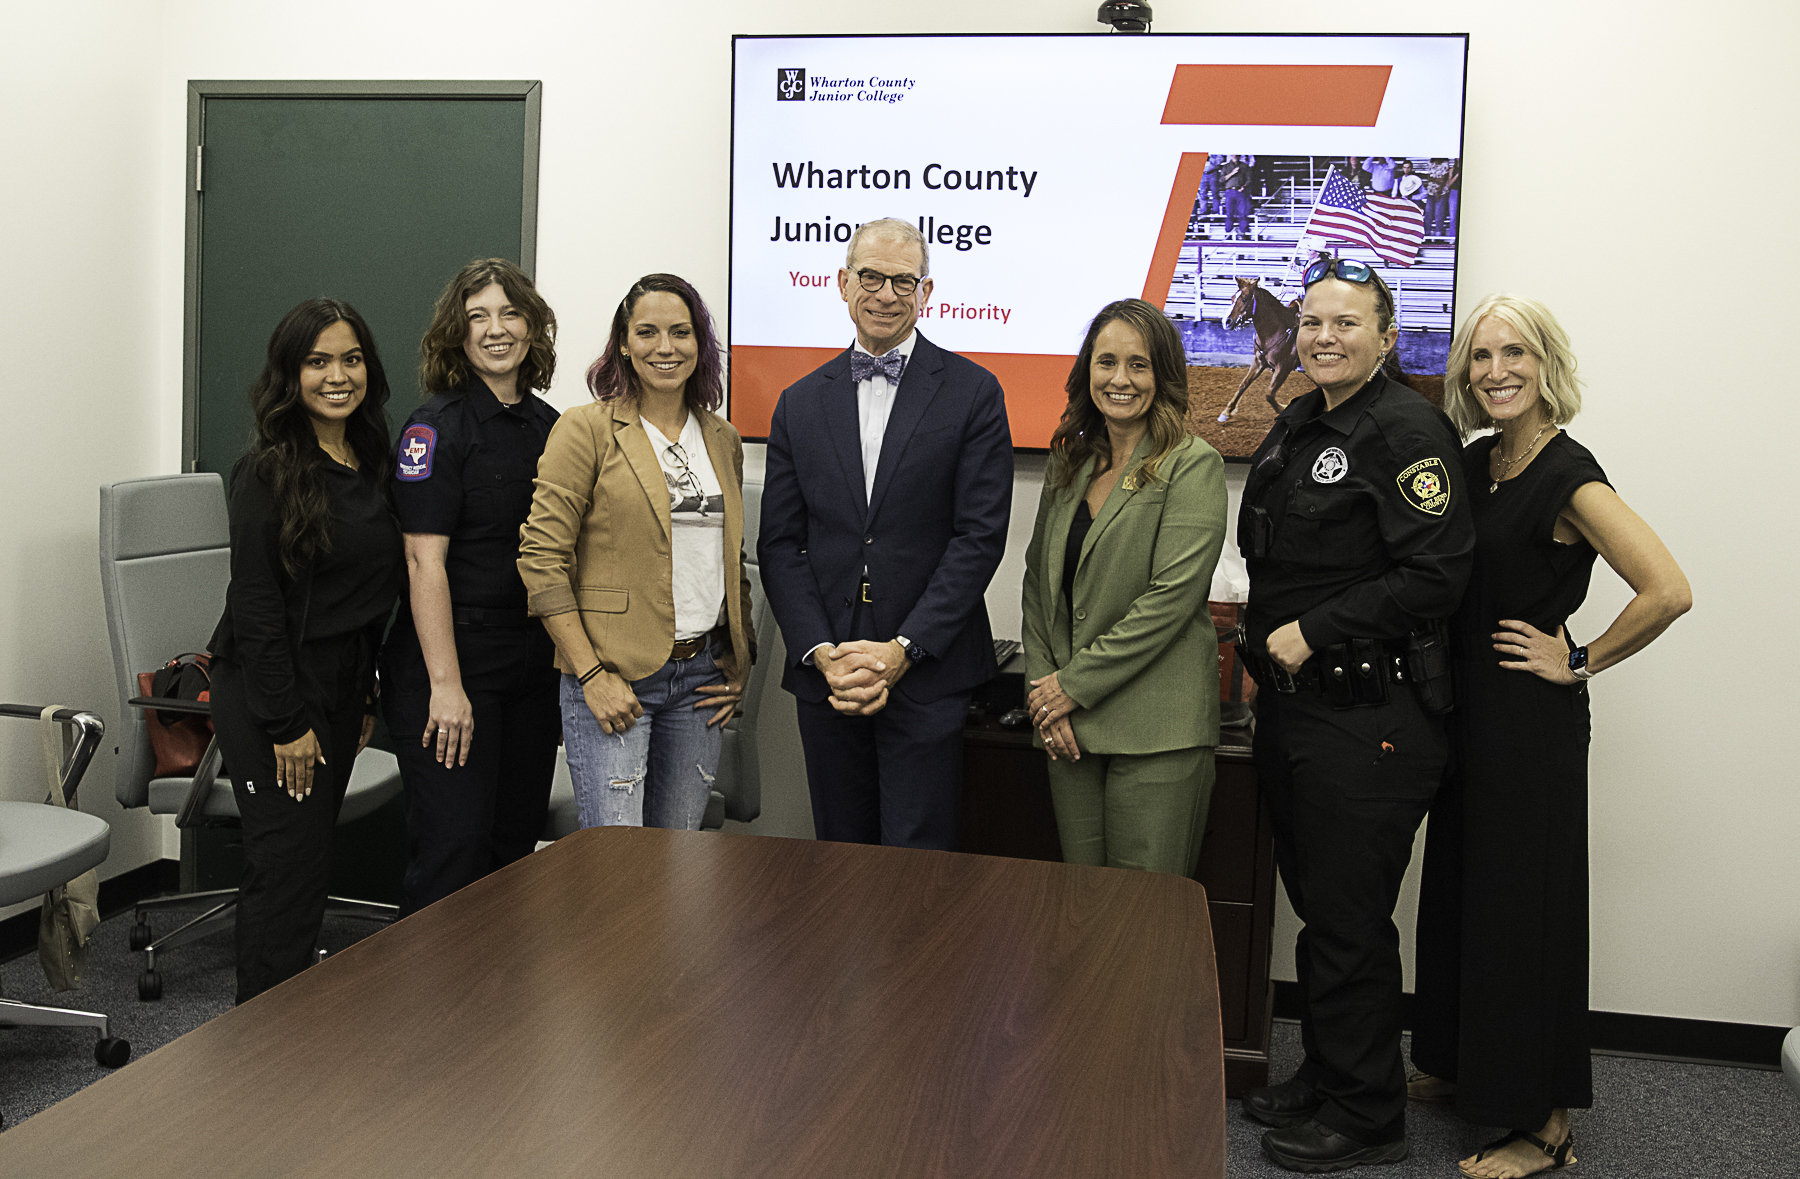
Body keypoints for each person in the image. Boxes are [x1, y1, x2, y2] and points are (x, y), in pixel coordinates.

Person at [1409, 295, 1691, 1179]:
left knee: (1525, 915)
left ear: (1545, 366)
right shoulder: (1476, 461)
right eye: (1482, 355)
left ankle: (1545, 1124)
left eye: (1515, 353)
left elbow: (1667, 588)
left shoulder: (1569, 474)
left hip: (1529, 727)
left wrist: (1580, 656)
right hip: (1468, 718)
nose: (1496, 370)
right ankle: (1465, 1068)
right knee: (1464, 894)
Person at [1234, 257, 1474, 1172]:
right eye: (1312, 322)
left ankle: (1369, 1113)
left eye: (1346, 323)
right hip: (1303, 712)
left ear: (1386, 336)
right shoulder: (1303, 419)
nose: (1323, 336)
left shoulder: (1407, 430)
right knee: (1322, 908)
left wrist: (1309, 630)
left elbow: (1436, 576)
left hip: (1371, 716)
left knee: (1349, 917)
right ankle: (1335, 1073)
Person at [758, 217, 1013, 851]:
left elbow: (978, 538)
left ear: (927, 293)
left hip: (928, 674)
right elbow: (781, 546)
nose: (885, 293)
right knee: (840, 858)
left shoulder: (974, 393)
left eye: (904, 281)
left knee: (917, 866)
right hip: (831, 676)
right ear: (843, 284)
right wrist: (820, 652)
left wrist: (904, 648)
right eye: (871, 277)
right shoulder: (797, 401)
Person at [206, 298, 403, 1003]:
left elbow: (369, 593)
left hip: (343, 682)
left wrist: (367, 691)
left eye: (350, 358)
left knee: (310, 858)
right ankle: (261, 1043)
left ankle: (291, 1032)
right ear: (291, 373)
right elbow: (256, 606)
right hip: (274, 688)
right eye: (318, 361)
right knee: (285, 861)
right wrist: (285, 721)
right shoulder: (266, 470)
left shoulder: (373, 457)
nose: (337, 375)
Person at [518, 275, 754, 830]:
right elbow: (541, 559)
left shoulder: (721, 438)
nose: (665, 347)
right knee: (618, 872)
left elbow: (730, 557)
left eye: (680, 332)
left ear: (701, 343)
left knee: (680, 866)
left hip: (700, 680)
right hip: (613, 676)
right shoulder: (587, 429)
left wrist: (739, 659)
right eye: (647, 332)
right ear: (623, 342)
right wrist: (590, 673)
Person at [1020, 299, 1227, 873]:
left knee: (1142, 923)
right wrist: (1046, 698)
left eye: (1139, 365)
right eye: (1106, 361)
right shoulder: (1070, 464)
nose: (1120, 379)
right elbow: (1039, 586)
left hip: (1157, 732)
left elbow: (1171, 599)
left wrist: (1071, 686)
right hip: (1067, 732)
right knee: (1083, 914)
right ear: (1087, 370)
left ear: (1163, 375)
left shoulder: (1193, 464)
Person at [381, 258, 561, 918]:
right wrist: (447, 687)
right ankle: (428, 1018)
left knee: (513, 850)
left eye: (510, 314)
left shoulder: (551, 427)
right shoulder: (436, 429)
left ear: (532, 329)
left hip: (530, 669)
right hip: (452, 668)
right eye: (477, 316)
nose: (495, 330)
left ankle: (494, 1016)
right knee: (453, 853)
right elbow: (422, 564)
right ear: (456, 334)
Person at [1221, 155, 1253, 240]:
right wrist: (1232, 173)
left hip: (1240, 192)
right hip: (1229, 191)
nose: (1235, 156)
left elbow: (1249, 179)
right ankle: (1228, 234)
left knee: (1242, 213)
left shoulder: (1244, 166)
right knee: (1229, 214)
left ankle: (1244, 234)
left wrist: (1244, 187)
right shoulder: (1226, 167)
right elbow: (1221, 180)